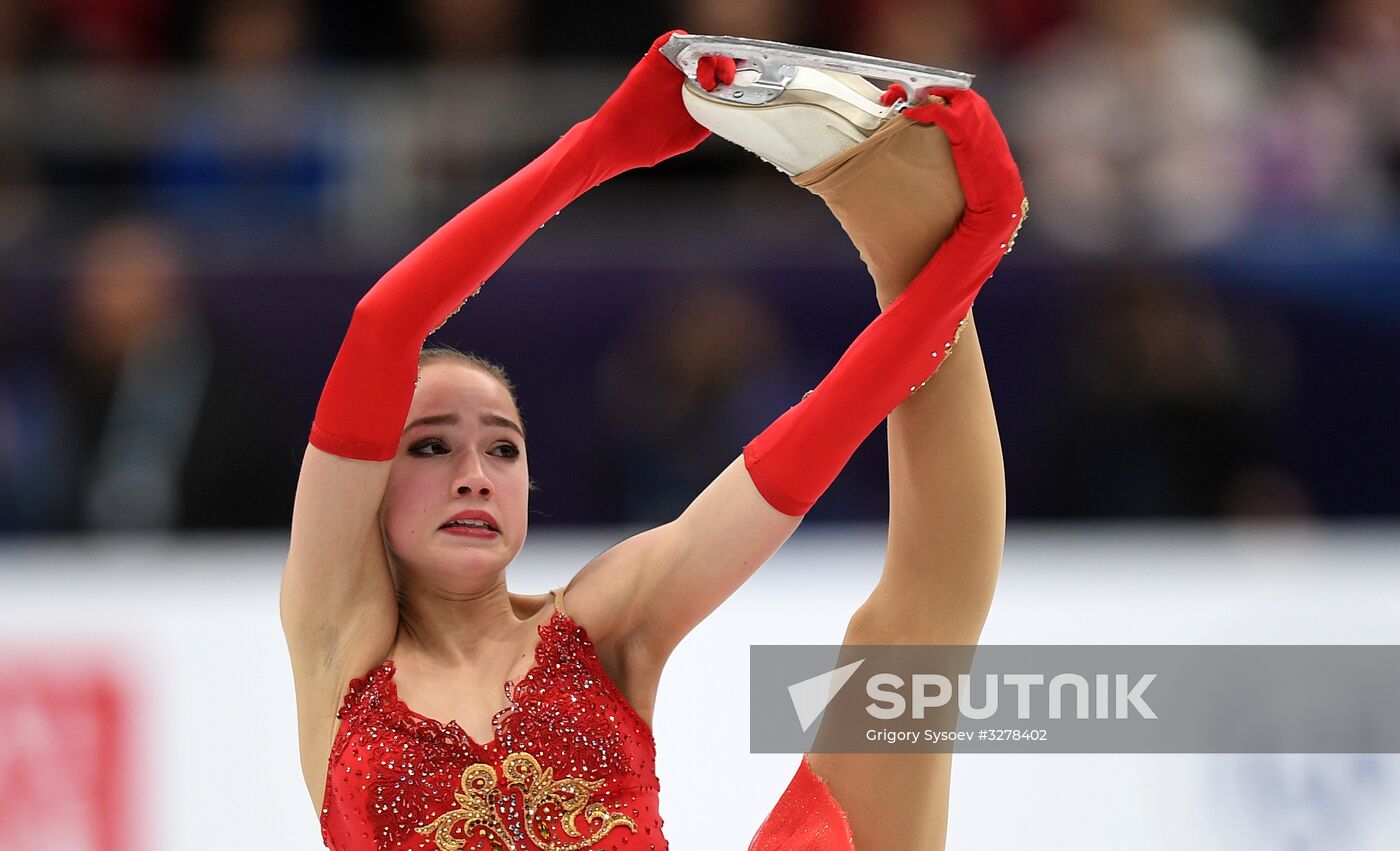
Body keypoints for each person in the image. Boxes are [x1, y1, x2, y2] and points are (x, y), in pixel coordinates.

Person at [281, 30, 1024, 851]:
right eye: (429, 446)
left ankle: (904, 234)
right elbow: (383, 327)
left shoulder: (603, 623)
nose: (473, 475)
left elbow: (807, 443)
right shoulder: (337, 644)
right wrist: (601, 146)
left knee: (909, 650)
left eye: (502, 449)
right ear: (369, 489)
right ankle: (909, 222)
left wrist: (962, 264)